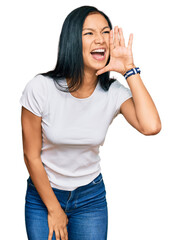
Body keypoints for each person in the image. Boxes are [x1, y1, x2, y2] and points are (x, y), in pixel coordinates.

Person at [19, 5, 161, 240]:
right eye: (89, 33)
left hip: (90, 198)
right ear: (72, 41)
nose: (101, 40)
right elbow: (30, 155)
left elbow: (151, 126)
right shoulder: (40, 88)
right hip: (43, 195)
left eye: (106, 32)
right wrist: (54, 209)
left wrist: (128, 70)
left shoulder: (113, 92)